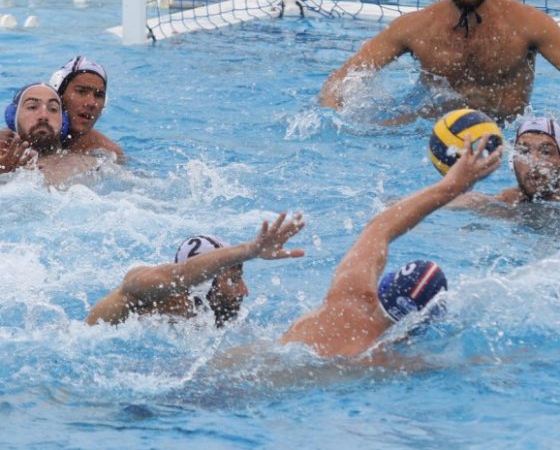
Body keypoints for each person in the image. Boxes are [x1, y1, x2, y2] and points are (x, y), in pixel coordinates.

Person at [280, 134, 501, 358]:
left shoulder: (347, 294)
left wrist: (450, 186)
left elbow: (380, 227)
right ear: (422, 322)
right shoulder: (380, 359)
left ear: (384, 286)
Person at [320, 0, 560, 123]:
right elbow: (340, 80)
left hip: (505, 131)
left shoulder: (528, 24)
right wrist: (334, 121)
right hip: (429, 131)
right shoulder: (416, 28)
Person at [86, 213, 305, 326]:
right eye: (233, 280)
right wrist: (249, 250)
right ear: (203, 283)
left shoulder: (207, 318)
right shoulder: (139, 296)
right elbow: (182, 275)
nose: (244, 292)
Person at [451, 117, 560, 210]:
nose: (534, 161)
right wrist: (460, 183)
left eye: (546, 152)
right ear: (512, 160)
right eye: (523, 151)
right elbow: (449, 204)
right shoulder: (505, 202)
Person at [1, 83, 99, 185]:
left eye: (53, 109)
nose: (44, 116)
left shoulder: (90, 166)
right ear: (13, 117)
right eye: (32, 107)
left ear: (63, 121)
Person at [49, 56, 123, 158]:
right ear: (58, 95)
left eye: (99, 95)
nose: (92, 103)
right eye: (81, 91)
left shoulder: (109, 152)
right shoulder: (29, 137)